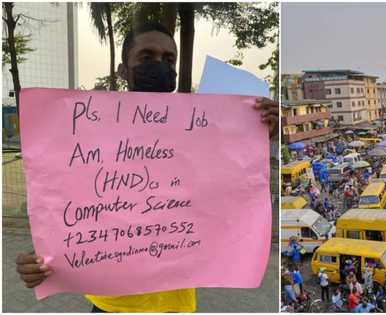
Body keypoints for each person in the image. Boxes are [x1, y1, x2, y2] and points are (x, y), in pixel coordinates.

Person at [14, 21, 279, 313]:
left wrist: (257, 132)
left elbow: (231, 191)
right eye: (147, 57)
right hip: (111, 307)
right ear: (123, 69)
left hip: (176, 306)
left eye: (169, 59)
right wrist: (39, 264)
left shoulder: (204, 130)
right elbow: (61, 210)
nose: (160, 65)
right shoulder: (88, 134)